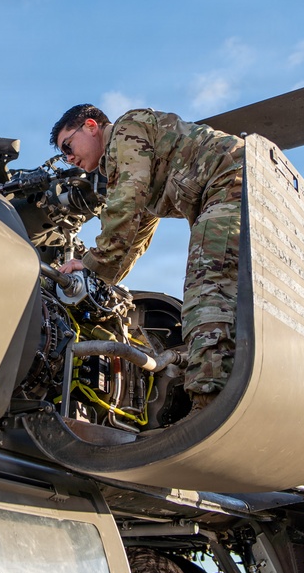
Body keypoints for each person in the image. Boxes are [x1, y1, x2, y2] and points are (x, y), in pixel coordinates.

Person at [51, 104, 244, 412]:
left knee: (207, 290)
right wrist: (97, 277)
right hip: (232, 187)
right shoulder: (143, 156)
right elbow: (136, 236)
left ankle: (209, 404)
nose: (69, 158)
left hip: (229, 183)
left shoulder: (127, 130)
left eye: (67, 147)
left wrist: (90, 263)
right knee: (228, 294)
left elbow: (126, 202)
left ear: (90, 126)